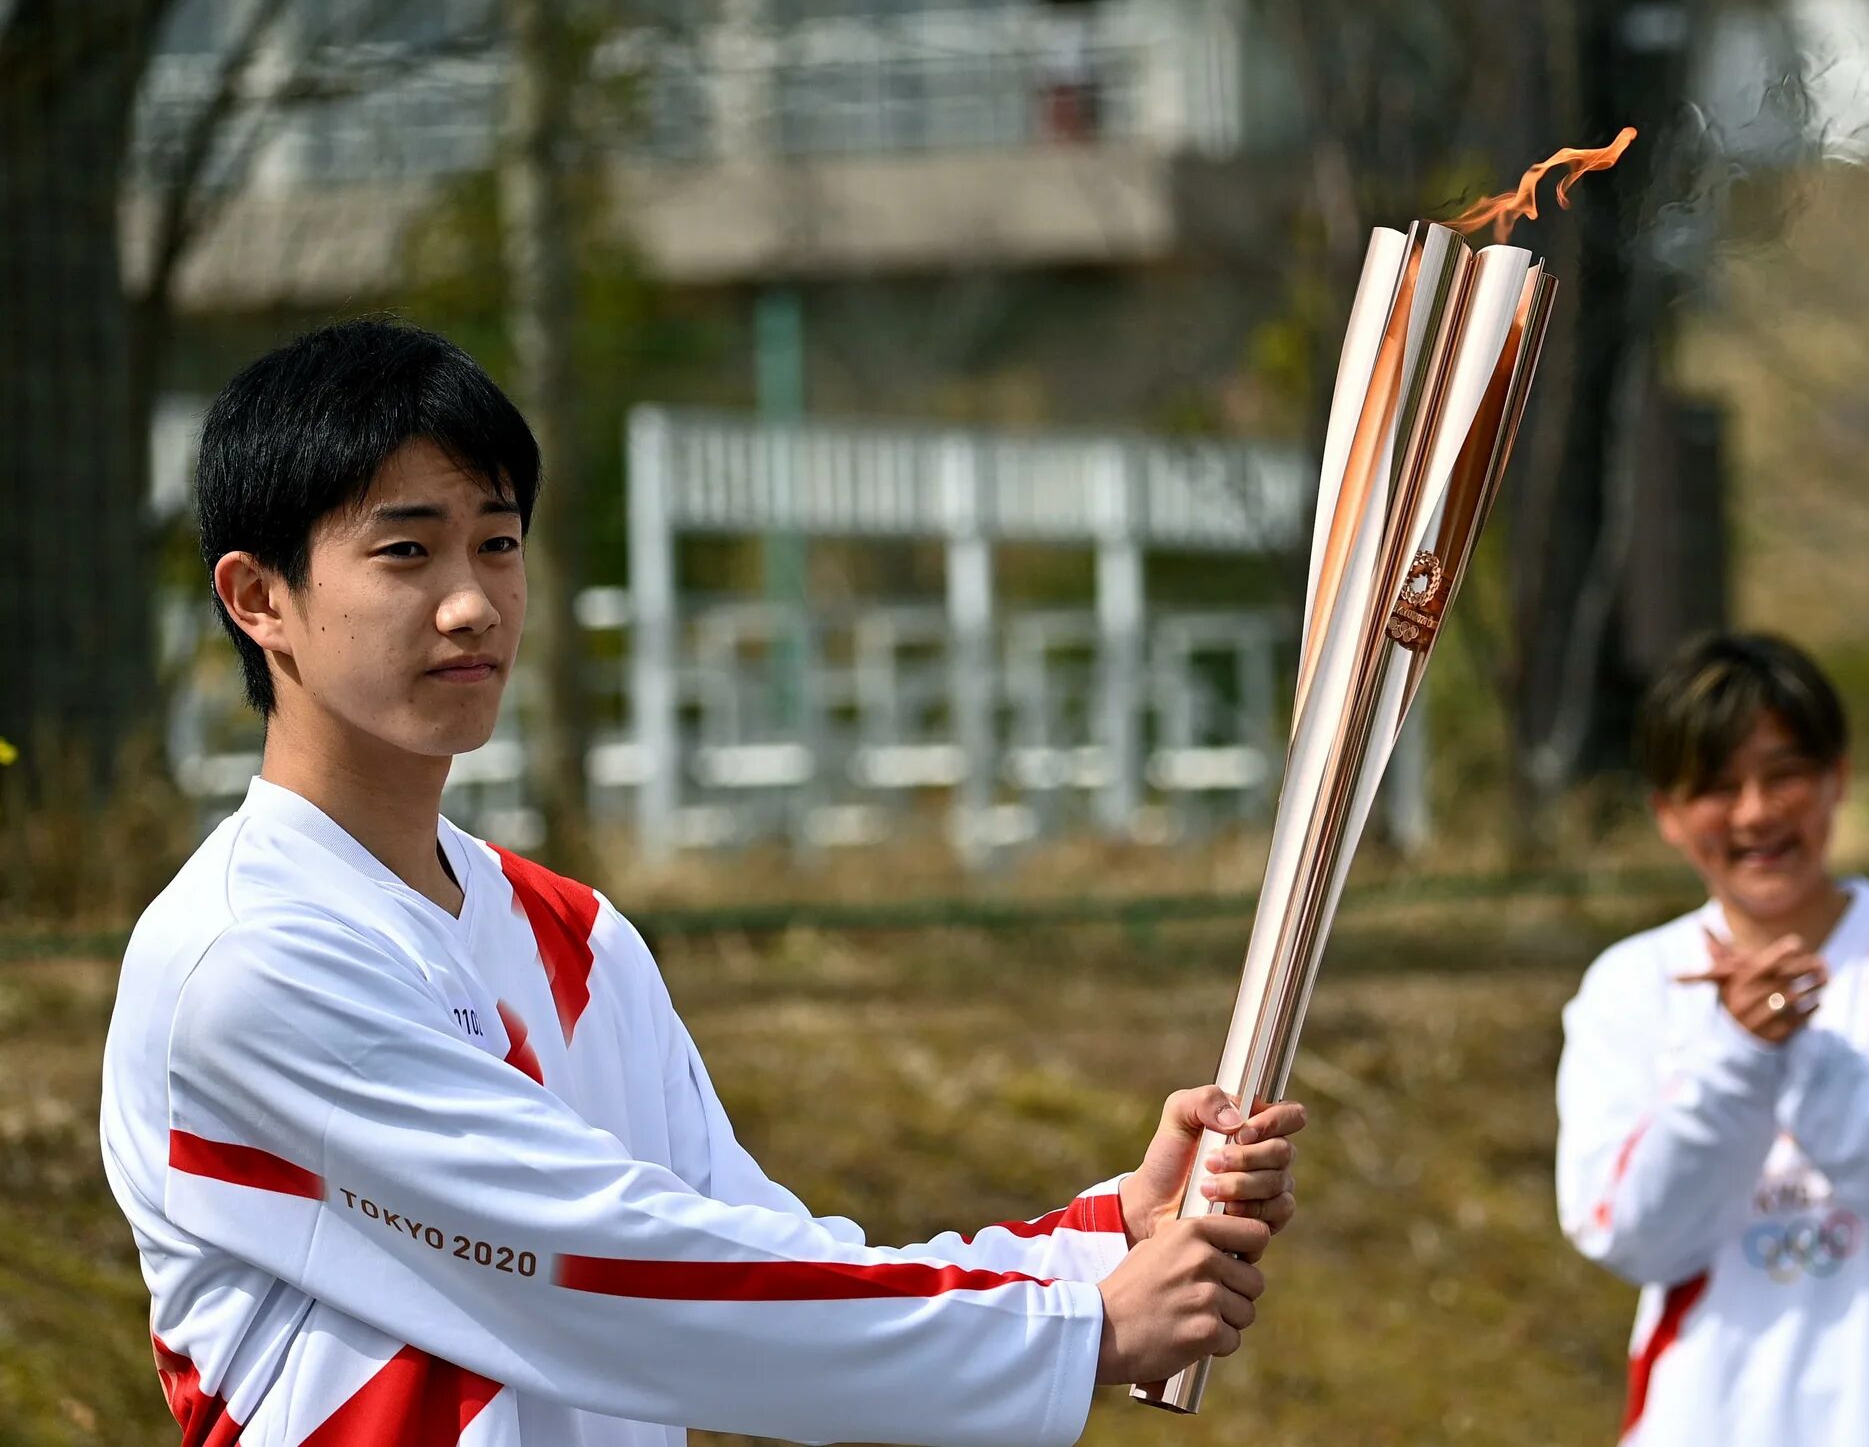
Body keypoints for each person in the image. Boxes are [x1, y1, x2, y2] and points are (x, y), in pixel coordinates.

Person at [102, 318, 1306, 1447]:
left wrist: (1100, 1246)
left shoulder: (576, 940)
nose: (472, 603)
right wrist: (1079, 1331)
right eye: (407, 551)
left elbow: (760, 1258)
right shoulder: (249, 962)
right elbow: (613, 1276)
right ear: (260, 599)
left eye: (499, 542)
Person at [1555, 632, 1869, 1446]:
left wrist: (1797, 1050)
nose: (1756, 812)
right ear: (1666, 813)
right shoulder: (1633, 983)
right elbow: (1628, 1231)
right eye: (1715, 785)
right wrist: (1740, 1056)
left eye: (1784, 774)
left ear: (1836, 777)